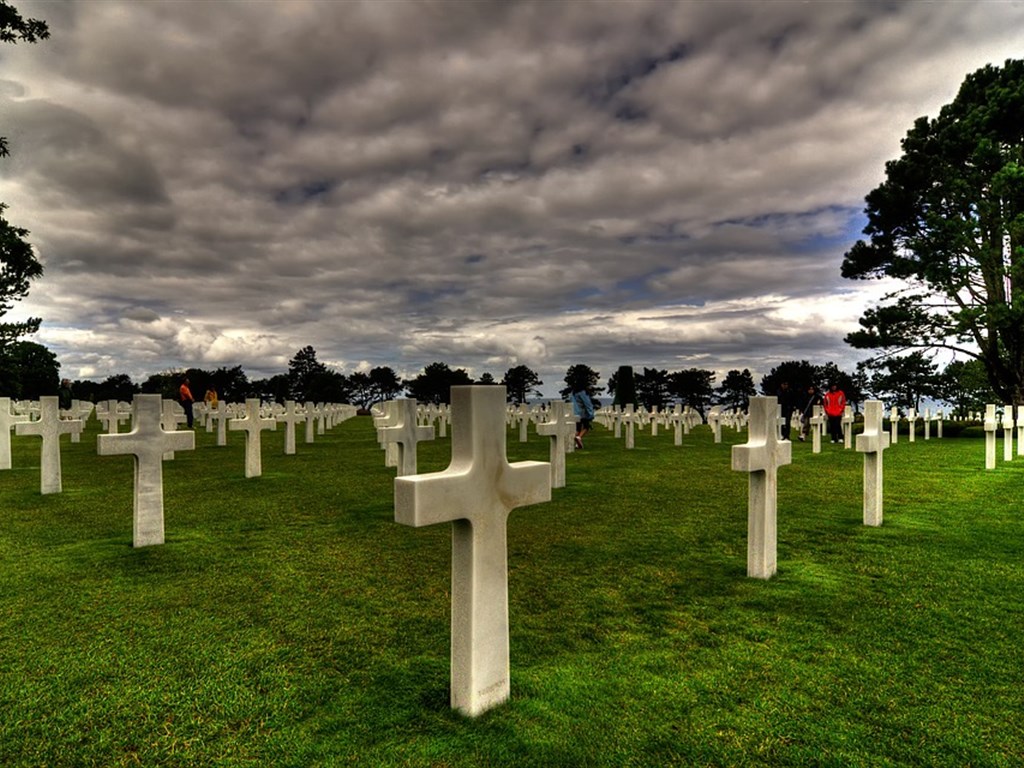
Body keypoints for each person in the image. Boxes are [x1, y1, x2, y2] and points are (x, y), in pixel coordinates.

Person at [571, 384, 595, 449]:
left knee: (578, 429)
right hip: (583, 413)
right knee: (586, 427)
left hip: (575, 413)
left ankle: (575, 444)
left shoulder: (573, 393)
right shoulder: (583, 392)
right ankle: (579, 437)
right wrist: (591, 414)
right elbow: (587, 403)